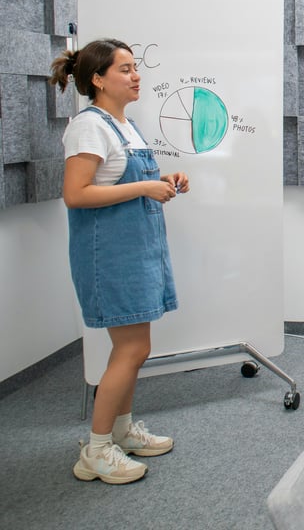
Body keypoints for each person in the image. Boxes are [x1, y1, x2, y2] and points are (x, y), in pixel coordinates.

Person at [49, 39, 188, 484]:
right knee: (132, 349)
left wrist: (162, 180)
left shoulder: (122, 124)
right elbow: (76, 194)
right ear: (97, 79)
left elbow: (116, 179)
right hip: (109, 254)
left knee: (134, 348)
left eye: (135, 68)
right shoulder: (89, 127)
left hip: (136, 249)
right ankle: (97, 449)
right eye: (125, 69)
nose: (136, 75)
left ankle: (123, 430)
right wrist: (144, 189)